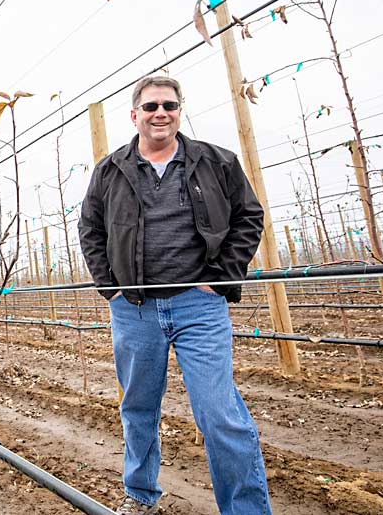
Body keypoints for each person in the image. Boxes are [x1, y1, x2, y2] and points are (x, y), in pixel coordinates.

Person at [78, 76, 271, 515]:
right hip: (136, 310)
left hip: (198, 306)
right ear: (135, 115)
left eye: (168, 104)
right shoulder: (110, 171)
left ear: (179, 111)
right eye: (150, 106)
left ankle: (246, 511)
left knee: (218, 414)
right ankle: (140, 495)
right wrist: (111, 288)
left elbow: (249, 216)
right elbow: (90, 229)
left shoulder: (215, 161)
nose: (160, 112)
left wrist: (222, 277)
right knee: (138, 407)